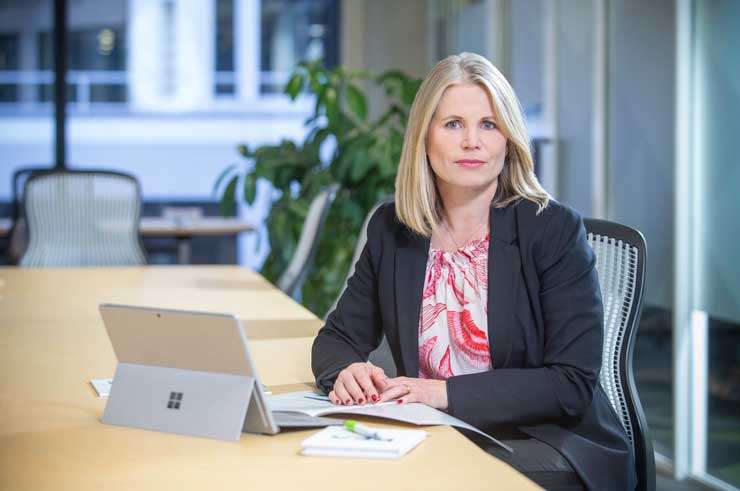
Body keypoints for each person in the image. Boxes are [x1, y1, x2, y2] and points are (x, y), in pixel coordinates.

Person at [311, 52, 635, 491]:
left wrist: (440, 394)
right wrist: (347, 370)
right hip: (440, 433)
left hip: (549, 440)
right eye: (452, 124)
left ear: (508, 140)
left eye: (489, 124)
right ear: (424, 140)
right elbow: (337, 338)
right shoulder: (393, 229)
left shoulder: (551, 229)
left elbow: (571, 383)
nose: (472, 142)